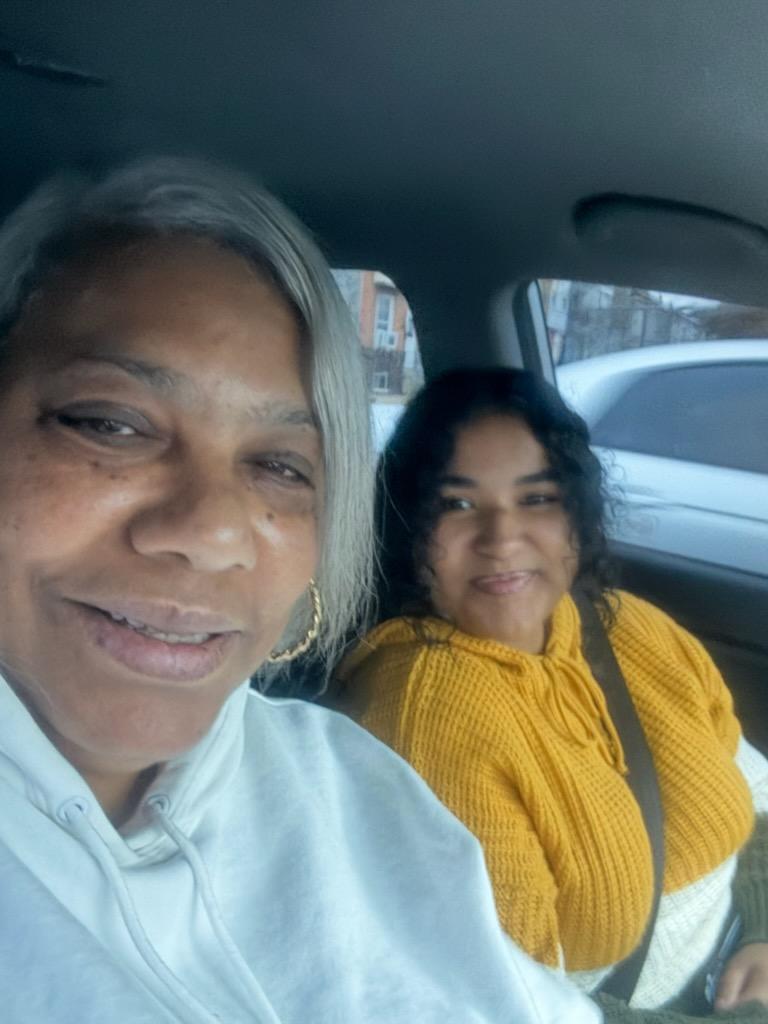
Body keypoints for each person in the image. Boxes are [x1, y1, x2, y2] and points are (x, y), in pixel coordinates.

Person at [0, 159, 605, 1024]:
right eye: (110, 424)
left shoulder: (351, 781)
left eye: (281, 466)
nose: (214, 532)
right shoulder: (429, 710)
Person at [333, 368, 768, 1021]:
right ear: (409, 531)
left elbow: (757, 799)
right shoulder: (430, 708)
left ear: (576, 517)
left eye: (537, 498)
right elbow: (512, 1006)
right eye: (456, 505)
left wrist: (761, 929)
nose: (502, 538)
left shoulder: (632, 629)